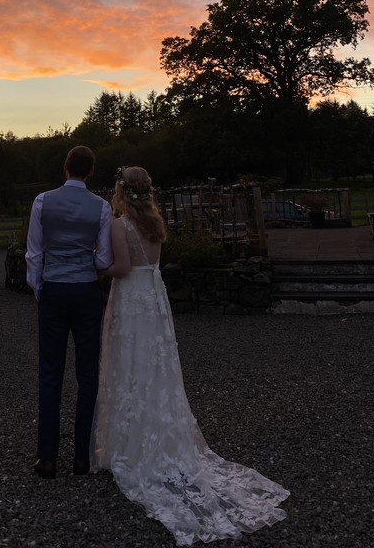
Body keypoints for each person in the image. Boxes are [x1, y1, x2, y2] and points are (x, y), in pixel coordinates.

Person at [91, 166, 289, 545]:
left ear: (121, 191)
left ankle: (132, 446)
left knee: (131, 366)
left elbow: (122, 268)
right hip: (154, 300)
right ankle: (162, 440)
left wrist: (96, 266)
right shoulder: (153, 224)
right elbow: (147, 265)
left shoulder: (120, 225)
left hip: (132, 302)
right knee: (155, 370)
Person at [26, 145, 113, 480]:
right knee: (87, 372)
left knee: (50, 371)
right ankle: (81, 457)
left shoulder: (42, 202)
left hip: (54, 289)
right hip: (86, 291)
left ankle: (47, 458)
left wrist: (40, 288)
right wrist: (83, 262)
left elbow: (34, 253)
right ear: (90, 171)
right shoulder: (101, 207)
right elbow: (103, 259)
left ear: (65, 166)